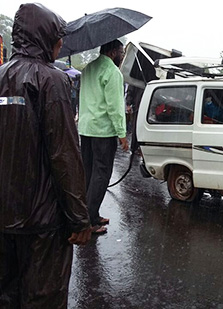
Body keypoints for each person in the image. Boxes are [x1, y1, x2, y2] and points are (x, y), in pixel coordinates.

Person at [0, 3, 91, 307]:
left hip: (3, 217)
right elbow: (65, 155)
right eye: (58, 36)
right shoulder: (52, 81)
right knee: (43, 298)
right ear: (44, 37)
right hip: (43, 223)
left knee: (7, 295)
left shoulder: (1, 76)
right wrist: (79, 220)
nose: (61, 42)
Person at [78, 39, 129, 234]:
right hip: (103, 132)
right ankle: (89, 222)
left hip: (86, 129)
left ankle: (91, 214)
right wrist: (122, 134)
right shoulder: (112, 72)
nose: (122, 56)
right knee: (101, 175)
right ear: (113, 51)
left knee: (89, 173)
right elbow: (115, 107)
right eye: (121, 52)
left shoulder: (89, 68)